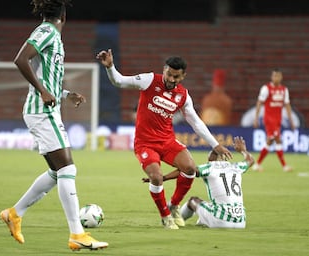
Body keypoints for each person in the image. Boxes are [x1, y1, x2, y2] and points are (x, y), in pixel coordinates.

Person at [0, 0, 108, 251]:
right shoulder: (46, 30)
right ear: (64, 14)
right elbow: (20, 59)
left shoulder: (53, 37)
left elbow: (45, 73)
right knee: (68, 169)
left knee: (57, 172)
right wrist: (44, 91)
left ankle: (14, 213)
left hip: (47, 109)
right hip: (41, 111)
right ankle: (77, 234)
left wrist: (65, 92)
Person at [97, 49, 232, 229]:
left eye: (176, 76)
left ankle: (174, 205)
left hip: (167, 141)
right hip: (145, 143)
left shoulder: (183, 95)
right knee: (156, 177)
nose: (171, 79)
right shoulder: (150, 80)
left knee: (190, 168)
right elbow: (119, 81)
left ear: (183, 76)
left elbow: (196, 122)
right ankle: (165, 216)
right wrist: (110, 67)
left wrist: (216, 145)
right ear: (164, 70)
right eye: (169, 74)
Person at [143, 136, 254, 228]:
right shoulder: (237, 167)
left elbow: (186, 170)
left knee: (193, 201)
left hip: (222, 218)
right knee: (209, 208)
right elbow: (250, 160)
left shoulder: (210, 167)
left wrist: (163, 178)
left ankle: (176, 219)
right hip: (241, 221)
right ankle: (204, 222)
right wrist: (243, 150)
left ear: (211, 158)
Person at [253, 69, 295, 172]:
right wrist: (256, 117)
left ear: (281, 77)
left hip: (278, 120)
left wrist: (291, 120)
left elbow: (287, 105)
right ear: (272, 77)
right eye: (275, 76)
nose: (276, 78)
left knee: (270, 141)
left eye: (278, 76)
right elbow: (259, 102)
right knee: (277, 139)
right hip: (269, 119)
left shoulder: (284, 90)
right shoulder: (266, 88)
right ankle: (284, 166)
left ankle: (257, 164)